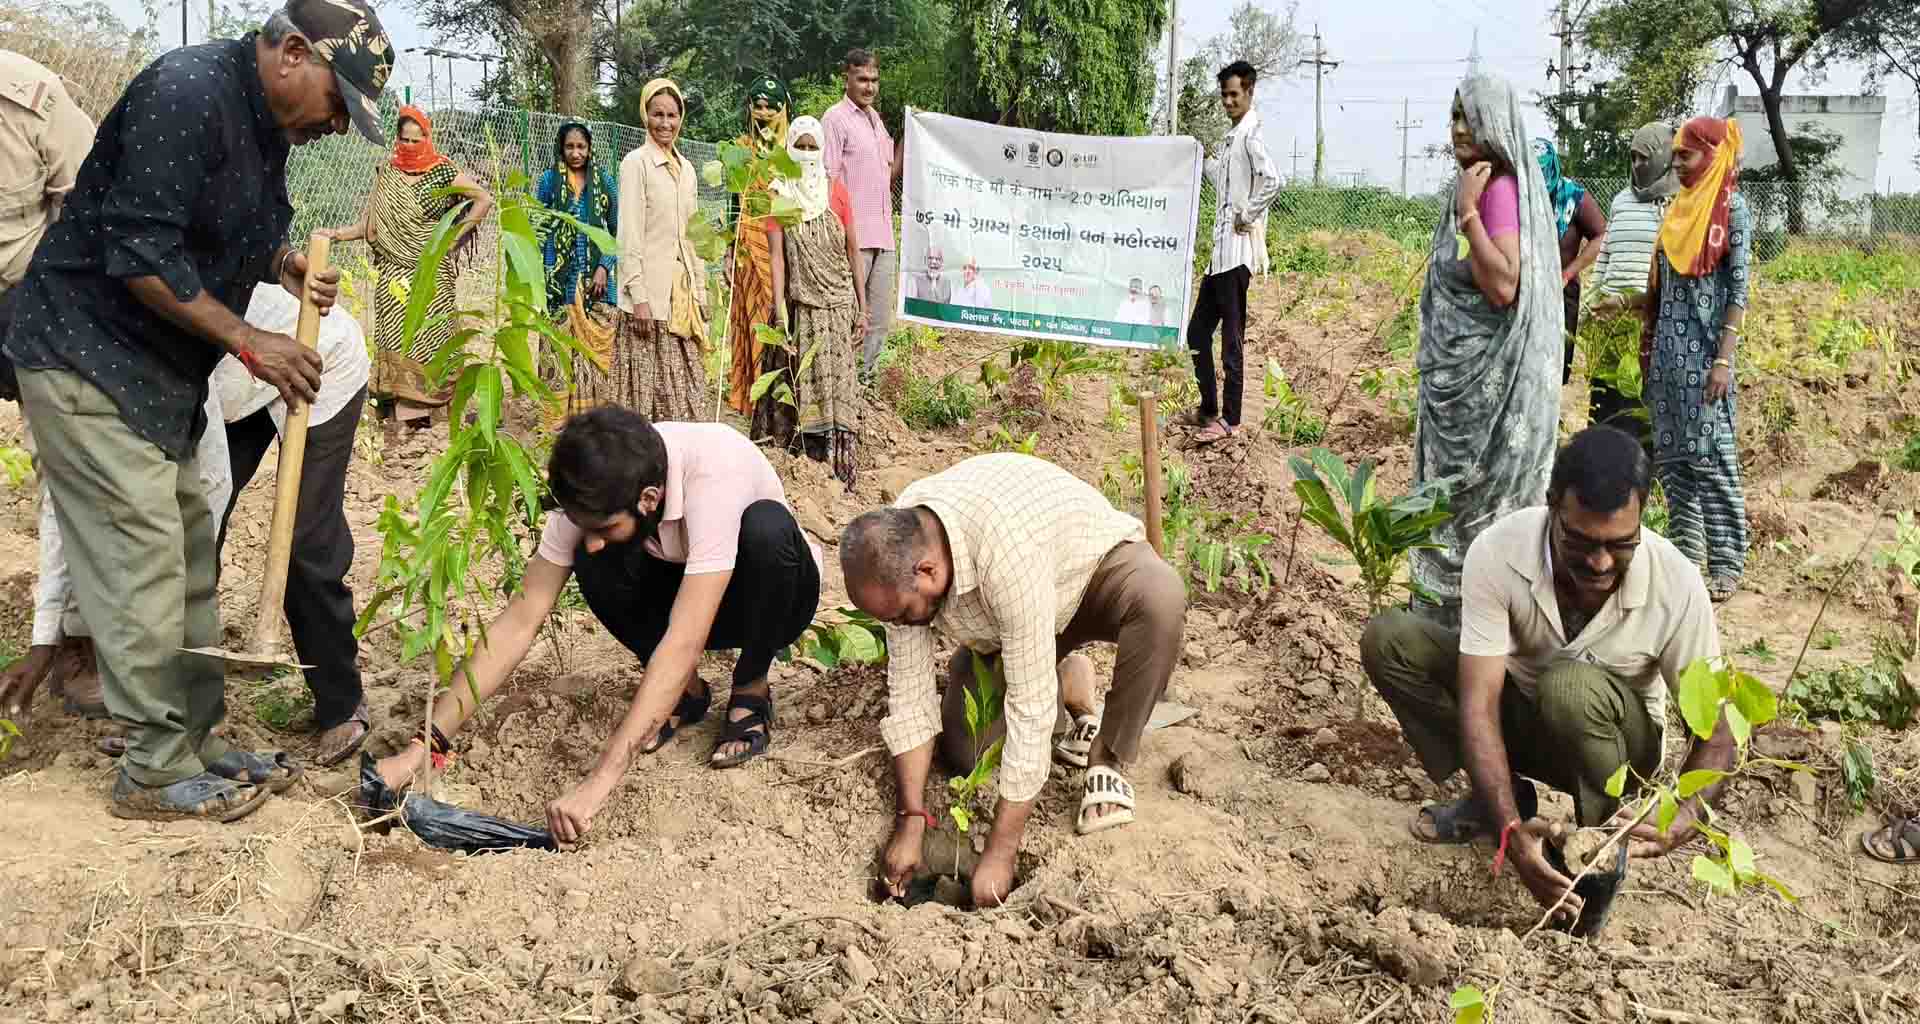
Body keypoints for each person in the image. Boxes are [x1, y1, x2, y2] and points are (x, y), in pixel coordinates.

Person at [0, 0, 387, 822]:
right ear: (291, 54)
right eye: (338, 103)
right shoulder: (187, 93)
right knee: (143, 558)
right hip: (85, 358)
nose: (335, 127)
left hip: (154, 375)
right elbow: (139, 250)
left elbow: (224, 230)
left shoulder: (263, 127)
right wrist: (251, 341)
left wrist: (280, 262)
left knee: (188, 560)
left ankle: (197, 740)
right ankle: (150, 770)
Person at [369, 409, 824, 842]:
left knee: (768, 529)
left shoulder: (713, 474)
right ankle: (687, 694)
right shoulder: (597, 491)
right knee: (594, 557)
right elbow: (520, 619)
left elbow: (685, 639)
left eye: (604, 524)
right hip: (686, 587)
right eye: (582, 523)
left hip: (770, 597)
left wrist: (597, 783)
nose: (591, 534)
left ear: (649, 498)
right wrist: (424, 746)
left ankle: (751, 688)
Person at [1360, 426, 1733, 922]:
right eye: (1579, 541)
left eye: (1620, 544)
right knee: (1392, 640)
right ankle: (1501, 798)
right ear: (1551, 505)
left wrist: (1681, 818)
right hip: (1529, 715)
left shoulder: (1677, 584)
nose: (1600, 562)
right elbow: (1479, 702)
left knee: (1569, 687)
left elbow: (1719, 732)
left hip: (1620, 747)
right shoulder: (1500, 552)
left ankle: (1597, 851)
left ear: (1643, 514)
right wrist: (1512, 834)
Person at [13, 284, 373, 767]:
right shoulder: (51, 368)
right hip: (229, 380)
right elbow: (64, 498)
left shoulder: (126, 355)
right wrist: (46, 637)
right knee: (180, 546)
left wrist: (191, 546)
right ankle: (171, 712)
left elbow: (207, 484)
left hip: (313, 359)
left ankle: (341, 703)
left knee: (305, 544)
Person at [841, 454, 1187, 908]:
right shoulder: (893, 555)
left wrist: (1002, 850)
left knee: (1160, 598)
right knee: (970, 753)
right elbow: (910, 698)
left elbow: (1028, 705)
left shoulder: (1002, 550)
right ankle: (1067, 681)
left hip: (1090, 575)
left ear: (927, 571)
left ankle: (1107, 756)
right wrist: (911, 821)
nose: (903, 624)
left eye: (905, 613)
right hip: (1012, 623)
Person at [1409, 74, 1563, 629]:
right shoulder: (1475, 183)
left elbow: (1502, 287)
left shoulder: (1494, 190)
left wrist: (1470, 213)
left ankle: (1476, 623)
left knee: (1478, 514)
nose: (1456, 129)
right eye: (1452, 116)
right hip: (1459, 386)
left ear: (1493, 123)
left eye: (1466, 117)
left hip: (1489, 391)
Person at [0, 51, 95, 713]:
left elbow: (96, 211)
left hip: (33, 303)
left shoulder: (30, 96)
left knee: (70, 463)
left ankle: (77, 638)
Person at [326, 105, 491, 431]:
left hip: (432, 271)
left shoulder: (442, 171)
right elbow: (369, 223)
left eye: (417, 141)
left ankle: (436, 410)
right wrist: (336, 235)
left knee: (433, 336)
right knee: (399, 339)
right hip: (393, 272)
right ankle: (404, 413)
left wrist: (454, 237)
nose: (410, 147)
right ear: (397, 139)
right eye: (404, 140)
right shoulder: (387, 172)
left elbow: (483, 199)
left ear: (427, 138)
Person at [1642, 117, 1751, 604]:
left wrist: (1724, 360)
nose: (1679, 164)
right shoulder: (1677, 212)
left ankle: (1727, 565)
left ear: (1711, 156)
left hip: (1707, 362)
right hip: (1667, 360)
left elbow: (1739, 290)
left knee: (1713, 460)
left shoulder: (1734, 212)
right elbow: (1660, 292)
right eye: (1678, 155)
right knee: (1675, 463)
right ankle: (1687, 560)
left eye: (1686, 155)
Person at [767, 116, 867, 489]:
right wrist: (779, 312)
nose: (807, 154)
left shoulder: (836, 191)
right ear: (790, 149)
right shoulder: (780, 195)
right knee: (806, 383)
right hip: (804, 307)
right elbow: (777, 258)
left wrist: (862, 304)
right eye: (800, 147)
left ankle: (842, 467)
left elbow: (852, 249)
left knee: (842, 386)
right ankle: (810, 467)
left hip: (838, 304)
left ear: (822, 149)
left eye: (813, 147)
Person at [1185, 60, 1278, 446]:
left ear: (1249, 92)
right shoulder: (1233, 138)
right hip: (1218, 258)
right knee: (1197, 334)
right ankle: (1208, 408)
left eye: (1234, 94)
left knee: (1231, 342)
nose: (1227, 101)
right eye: (1224, 95)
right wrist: (1195, 156)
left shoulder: (1251, 135)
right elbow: (1219, 177)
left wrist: (1247, 214)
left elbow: (1272, 180)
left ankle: (1231, 420)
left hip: (1237, 256)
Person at [614, 78, 711, 422]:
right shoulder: (636, 164)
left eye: (672, 115)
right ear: (645, 116)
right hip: (648, 301)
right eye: (658, 114)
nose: (665, 123)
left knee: (688, 392)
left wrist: (701, 291)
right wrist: (637, 296)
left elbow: (693, 235)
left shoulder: (686, 171)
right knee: (647, 393)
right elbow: (629, 234)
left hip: (680, 298)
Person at [1586, 122, 1678, 438]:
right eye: (1633, 157)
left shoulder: (1677, 203)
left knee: (1637, 396)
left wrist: (1644, 306)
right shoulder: (1621, 200)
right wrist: (1593, 297)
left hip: (1645, 317)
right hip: (1611, 317)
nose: (1637, 165)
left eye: (1644, 158)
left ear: (1664, 157)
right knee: (1605, 397)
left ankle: (1640, 470)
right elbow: (1606, 253)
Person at [822, 49, 901, 380]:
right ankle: (843, 388)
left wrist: (909, 140)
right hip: (853, 239)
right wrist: (835, 236)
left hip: (883, 237)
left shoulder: (876, 122)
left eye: (874, 80)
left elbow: (886, 176)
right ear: (848, 78)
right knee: (852, 317)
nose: (869, 87)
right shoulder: (835, 120)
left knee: (879, 321)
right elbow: (827, 180)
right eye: (862, 79)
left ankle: (868, 390)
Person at [726, 75, 789, 425]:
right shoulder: (740, 149)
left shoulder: (790, 153)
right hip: (747, 250)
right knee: (749, 323)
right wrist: (728, 251)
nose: (763, 112)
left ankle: (776, 407)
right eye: (758, 105)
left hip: (779, 250)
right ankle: (748, 402)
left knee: (776, 321)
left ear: (782, 110)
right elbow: (732, 203)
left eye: (770, 106)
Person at [1533, 137, 1607, 384]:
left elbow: (1601, 236)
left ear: (1551, 168)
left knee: (1555, 366)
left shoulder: (1573, 197)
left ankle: (1553, 418)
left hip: (1562, 293)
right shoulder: (1517, 194)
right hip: (1523, 292)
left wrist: (1568, 273)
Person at [535, 120, 617, 316]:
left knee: (595, 344)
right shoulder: (548, 180)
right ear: (561, 148)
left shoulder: (605, 182)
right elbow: (539, 228)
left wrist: (604, 267)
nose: (575, 153)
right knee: (556, 342)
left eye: (581, 146)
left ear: (590, 148)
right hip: (557, 282)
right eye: (569, 146)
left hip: (596, 284)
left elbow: (618, 230)